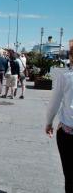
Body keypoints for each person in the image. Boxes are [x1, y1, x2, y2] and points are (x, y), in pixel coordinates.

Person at [45, 65, 73, 193]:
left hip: (68, 132)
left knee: (70, 176)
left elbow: (54, 102)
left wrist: (49, 122)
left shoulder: (66, 76)